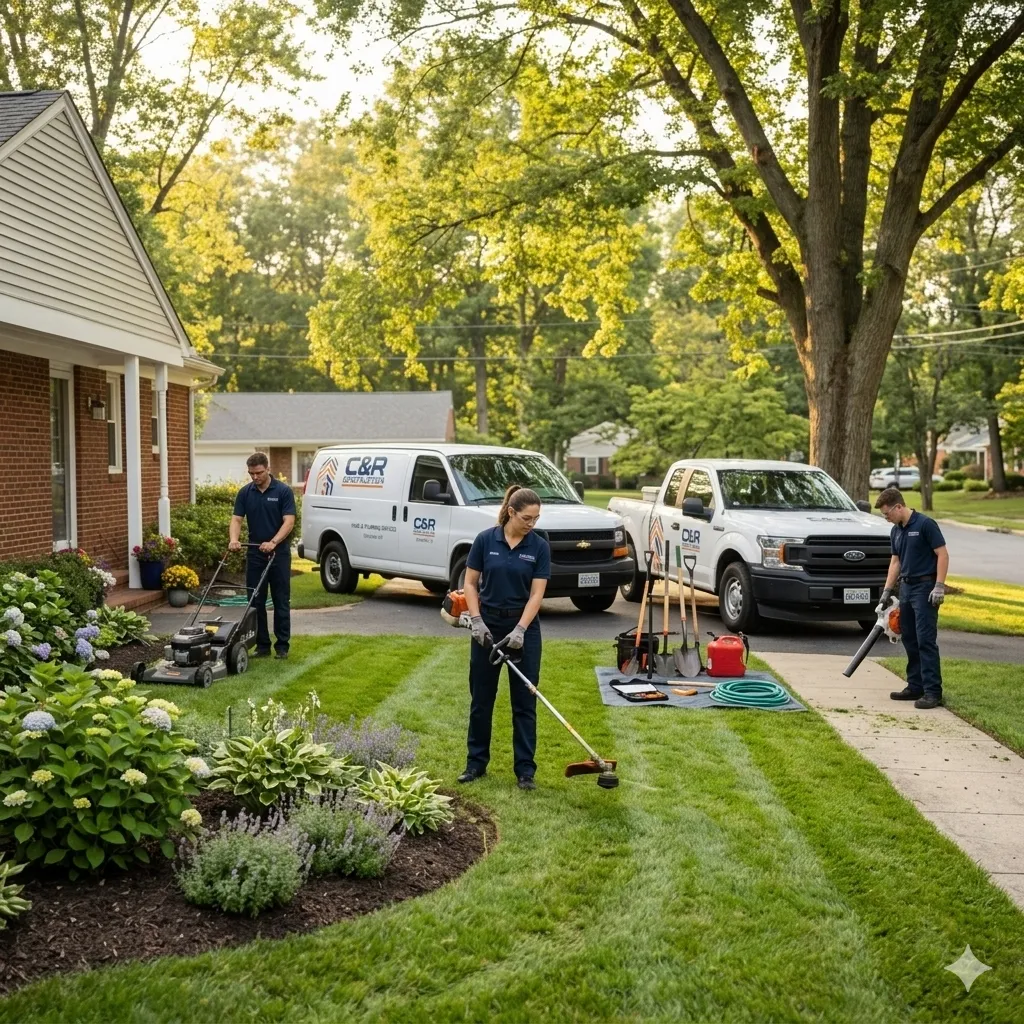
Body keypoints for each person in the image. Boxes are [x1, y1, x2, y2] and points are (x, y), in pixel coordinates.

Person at [458, 485, 550, 791]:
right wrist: (477, 621)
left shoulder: (538, 545)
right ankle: (475, 764)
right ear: (511, 512)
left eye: (536, 518)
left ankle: (525, 771)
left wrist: (521, 630)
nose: (532, 524)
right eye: (527, 517)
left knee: (525, 701)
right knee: (481, 700)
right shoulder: (486, 540)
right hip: (488, 626)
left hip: (524, 629)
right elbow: (470, 583)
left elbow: (537, 593)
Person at [874, 486, 949, 709]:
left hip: (925, 588)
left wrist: (939, 586)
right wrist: (887, 592)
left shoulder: (925, 524)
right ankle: (915, 686)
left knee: (926, 640)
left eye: (887, 513)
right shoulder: (896, 531)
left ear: (898, 507)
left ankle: (933, 692)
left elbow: (942, 554)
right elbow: (895, 562)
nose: (886, 518)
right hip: (906, 588)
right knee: (909, 638)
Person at [229, 452, 296, 659]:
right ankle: (262, 645)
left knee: (280, 600)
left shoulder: (283, 491)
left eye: (258, 473)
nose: (255, 477)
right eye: (251, 474)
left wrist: (274, 542)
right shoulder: (245, 493)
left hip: (279, 554)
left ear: (267, 469)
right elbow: (237, 520)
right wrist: (234, 539)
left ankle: (282, 646)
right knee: (255, 601)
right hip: (255, 553)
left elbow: (289, 521)